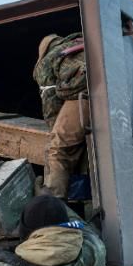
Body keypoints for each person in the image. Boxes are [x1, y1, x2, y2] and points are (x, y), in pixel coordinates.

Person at [33, 33, 89, 199]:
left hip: (84, 94)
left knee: (56, 149)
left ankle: (51, 201)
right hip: (104, 88)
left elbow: (51, 104)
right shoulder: (77, 43)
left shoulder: (45, 62)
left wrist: (54, 130)